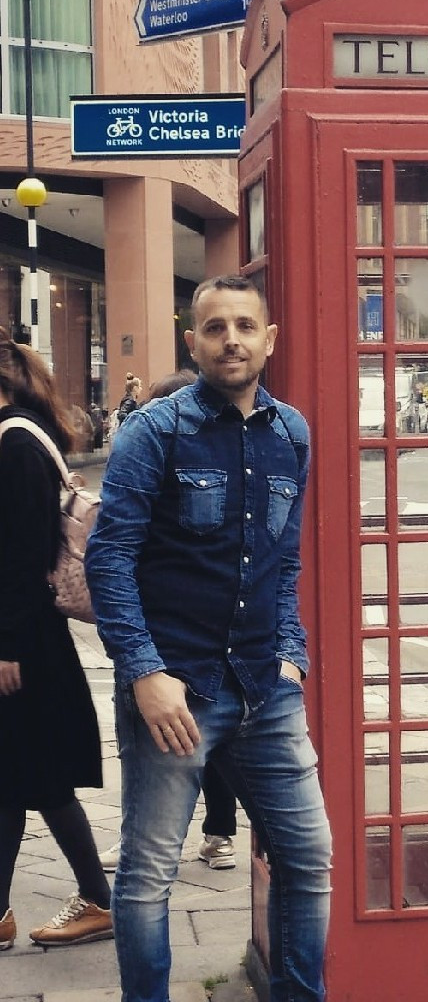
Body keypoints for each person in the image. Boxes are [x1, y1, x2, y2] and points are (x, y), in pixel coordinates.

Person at [85, 275, 332, 1002]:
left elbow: (282, 561)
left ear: (269, 339)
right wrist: (144, 673)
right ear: (192, 342)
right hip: (177, 688)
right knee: (149, 873)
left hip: (265, 688)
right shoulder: (154, 432)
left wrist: (291, 654)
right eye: (216, 328)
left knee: (308, 857)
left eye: (245, 326)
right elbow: (110, 558)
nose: (232, 341)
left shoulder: (291, 433)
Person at [97, 368, 241, 875]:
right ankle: (213, 835)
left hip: (186, 643)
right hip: (181, 648)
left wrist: (290, 657)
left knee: (161, 753)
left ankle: (176, 837)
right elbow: (112, 555)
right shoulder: (167, 447)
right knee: (200, 755)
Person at [0, 330, 113, 950]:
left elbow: (22, 555)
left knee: (30, 776)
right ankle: (19, 910)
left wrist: (7, 646)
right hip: (24, 636)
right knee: (24, 776)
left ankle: (94, 899)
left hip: (24, 643)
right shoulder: (16, 436)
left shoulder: (16, 443)